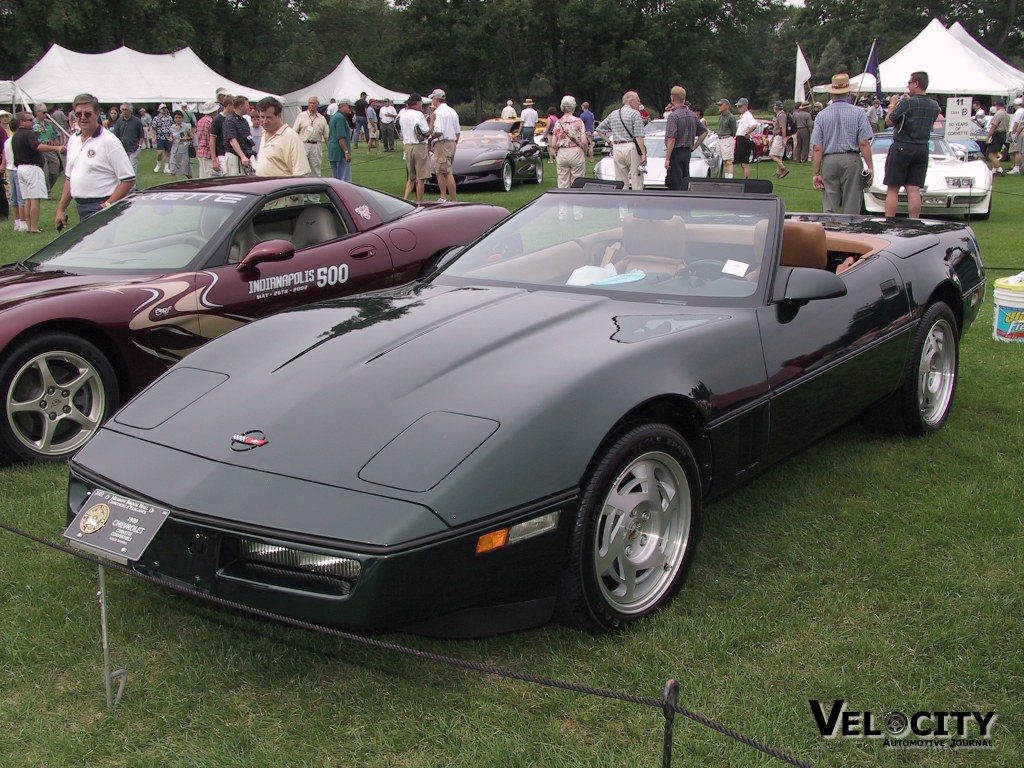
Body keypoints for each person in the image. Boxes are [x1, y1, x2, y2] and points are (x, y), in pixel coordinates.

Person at [53, 94, 134, 227]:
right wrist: (61, 210)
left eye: (88, 114)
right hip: (81, 205)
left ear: (97, 114)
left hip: (101, 205)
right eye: (78, 114)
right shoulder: (73, 140)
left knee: (96, 246)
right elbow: (69, 178)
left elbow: (128, 179)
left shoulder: (109, 141)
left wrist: (106, 205)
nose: (83, 117)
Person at [809, 73, 875, 214]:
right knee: (852, 203)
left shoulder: (821, 115)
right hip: (851, 160)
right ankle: (849, 232)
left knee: (829, 202)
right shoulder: (859, 113)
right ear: (849, 92)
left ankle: (830, 231)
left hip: (829, 160)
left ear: (832, 94)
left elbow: (817, 148)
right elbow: (863, 143)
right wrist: (870, 166)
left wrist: (815, 173)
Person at [884, 71, 941, 217]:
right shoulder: (934, 106)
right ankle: (914, 221)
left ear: (916, 84)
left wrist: (892, 104)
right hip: (922, 147)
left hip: (903, 145)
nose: (908, 86)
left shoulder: (907, 103)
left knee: (893, 188)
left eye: (909, 83)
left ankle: (890, 220)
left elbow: (889, 121)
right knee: (914, 188)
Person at [12, 112, 63, 232]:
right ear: (21, 122)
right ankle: (34, 227)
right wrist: (56, 148)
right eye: (29, 120)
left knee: (27, 199)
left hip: (20, 168)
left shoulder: (16, 135)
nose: (32, 122)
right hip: (31, 167)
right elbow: (37, 146)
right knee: (35, 198)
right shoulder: (29, 133)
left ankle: (30, 226)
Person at [595, 91, 648, 190]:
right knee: (636, 177)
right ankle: (637, 202)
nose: (639, 103)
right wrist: (644, 153)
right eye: (638, 101)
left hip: (617, 148)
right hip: (631, 148)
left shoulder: (613, 114)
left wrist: (610, 142)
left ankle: (623, 203)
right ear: (630, 101)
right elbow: (638, 136)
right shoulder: (635, 114)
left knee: (621, 180)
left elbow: (599, 129)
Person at [254, 97, 311, 177]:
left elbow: (301, 173)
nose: (264, 121)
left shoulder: (291, 137)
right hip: (262, 187)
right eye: (262, 117)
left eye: (268, 117)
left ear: (278, 115)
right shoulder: (263, 134)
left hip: (281, 188)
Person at [663, 86, 707, 190]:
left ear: (673, 98)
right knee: (685, 180)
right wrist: (694, 147)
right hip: (687, 152)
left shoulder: (673, 116)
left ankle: (676, 203)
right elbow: (704, 132)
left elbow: (672, 139)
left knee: (675, 182)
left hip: (676, 153)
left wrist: (667, 158)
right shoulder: (692, 115)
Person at [552, 95, 589, 213]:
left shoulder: (558, 122)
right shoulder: (578, 122)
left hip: (562, 152)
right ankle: (577, 213)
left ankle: (562, 212)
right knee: (577, 182)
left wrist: (557, 151)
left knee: (562, 183)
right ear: (573, 107)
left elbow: (553, 143)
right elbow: (584, 141)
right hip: (576, 151)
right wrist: (585, 151)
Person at [428, 88, 460, 202]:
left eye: (432, 98)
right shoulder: (453, 111)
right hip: (452, 142)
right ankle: (451, 198)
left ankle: (444, 197)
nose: (432, 100)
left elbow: (439, 131)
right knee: (447, 170)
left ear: (436, 99)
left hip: (442, 142)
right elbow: (458, 132)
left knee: (442, 171)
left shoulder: (438, 112)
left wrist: (430, 138)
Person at [398, 93, 430, 203]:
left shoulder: (403, 114)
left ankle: (405, 199)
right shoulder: (418, 114)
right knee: (420, 177)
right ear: (417, 102)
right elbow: (425, 131)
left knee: (411, 177)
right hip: (418, 146)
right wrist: (432, 121)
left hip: (407, 146)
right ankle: (420, 202)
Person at [293, 96, 329, 176]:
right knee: (302, 169)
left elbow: (326, 136)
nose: (312, 105)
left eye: (314, 103)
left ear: (317, 105)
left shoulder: (322, 118)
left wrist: (329, 150)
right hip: (303, 144)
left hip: (316, 146)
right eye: (310, 103)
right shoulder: (301, 116)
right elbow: (294, 132)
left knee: (316, 170)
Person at [33, 103, 64, 192]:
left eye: (47, 112)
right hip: (40, 149)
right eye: (43, 112)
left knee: (56, 169)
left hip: (51, 149)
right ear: (37, 112)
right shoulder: (32, 124)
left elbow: (56, 134)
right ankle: (46, 191)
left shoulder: (50, 123)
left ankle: (46, 188)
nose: (46, 114)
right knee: (44, 172)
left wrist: (57, 142)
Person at [223, 96, 254, 176]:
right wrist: (242, 156)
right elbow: (232, 140)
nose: (248, 107)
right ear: (241, 106)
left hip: (246, 156)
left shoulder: (244, 121)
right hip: (235, 157)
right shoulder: (230, 121)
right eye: (247, 105)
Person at [111, 103, 145, 175]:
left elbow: (141, 135)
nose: (124, 111)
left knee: (132, 169)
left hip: (134, 150)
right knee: (123, 170)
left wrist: (139, 146)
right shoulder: (119, 121)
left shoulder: (136, 121)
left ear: (130, 110)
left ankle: (133, 186)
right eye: (122, 110)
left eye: (125, 109)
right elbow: (116, 136)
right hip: (122, 150)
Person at [328, 98, 353, 181]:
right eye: (349, 107)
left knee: (336, 179)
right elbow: (341, 137)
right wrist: (346, 152)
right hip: (339, 153)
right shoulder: (340, 118)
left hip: (334, 152)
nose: (351, 109)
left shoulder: (335, 116)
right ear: (343, 106)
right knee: (344, 180)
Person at [167, 110, 194, 180]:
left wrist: (186, 138)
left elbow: (192, 137)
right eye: (176, 118)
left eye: (179, 117)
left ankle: (191, 181)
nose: (178, 119)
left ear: (182, 118)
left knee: (186, 170)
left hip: (184, 149)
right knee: (173, 168)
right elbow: (171, 136)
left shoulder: (186, 126)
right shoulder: (172, 127)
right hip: (174, 149)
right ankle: (174, 185)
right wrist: (170, 138)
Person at [734, 97, 757, 180]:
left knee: (744, 163)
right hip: (740, 139)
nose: (739, 108)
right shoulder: (743, 116)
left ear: (745, 106)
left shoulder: (748, 115)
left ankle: (746, 179)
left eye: (740, 106)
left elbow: (754, 125)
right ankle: (745, 178)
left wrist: (747, 133)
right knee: (741, 162)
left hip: (743, 139)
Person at [194, 101, 218, 178]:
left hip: (201, 151)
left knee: (202, 176)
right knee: (209, 176)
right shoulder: (211, 122)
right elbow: (210, 139)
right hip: (208, 153)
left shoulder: (200, 121)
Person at [985, 100, 1010, 176]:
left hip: (998, 134)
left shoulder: (999, 114)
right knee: (995, 153)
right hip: (1003, 134)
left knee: (991, 154)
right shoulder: (1006, 114)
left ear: (997, 106)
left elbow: (994, 126)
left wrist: (988, 136)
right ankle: (994, 170)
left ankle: (1000, 170)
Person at [716, 98, 737, 178]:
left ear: (727, 106)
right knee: (724, 161)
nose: (719, 107)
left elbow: (734, 131)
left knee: (729, 161)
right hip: (720, 139)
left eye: (721, 105)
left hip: (727, 139)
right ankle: (726, 177)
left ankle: (730, 178)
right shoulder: (720, 117)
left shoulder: (731, 117)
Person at [769, 101, 790, 178]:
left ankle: (783, 168)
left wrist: (783, 139)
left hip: (779, 136)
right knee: (778, 155)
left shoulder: (781, 115)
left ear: (776, 108)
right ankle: (778, 172)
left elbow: (783, 127)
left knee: (772, 155)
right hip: (778, 136)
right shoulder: (780, 115)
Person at [152, 103, 173, 173]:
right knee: (159, 153)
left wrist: (171, 136)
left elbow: (172, 128)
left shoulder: (169, 118)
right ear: (159, 110)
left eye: (165, 108)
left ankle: (166, 168)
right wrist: (153, 137)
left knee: (168, 153)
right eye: (162, 108)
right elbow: (154, 128)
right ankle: (158, 164)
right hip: (160, 137)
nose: (164, 109)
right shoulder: (156, 118)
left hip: (168, 137)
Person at [1008, 97, 1024, 174]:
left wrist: (1013, 133)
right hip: (1019, 131)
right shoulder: (1022, 111)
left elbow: (1016, 123)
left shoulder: (1019, 112)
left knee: (1015, 150)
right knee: (1016, 150)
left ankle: (1016, 167)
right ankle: (1017, 166)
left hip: (1017, 132)